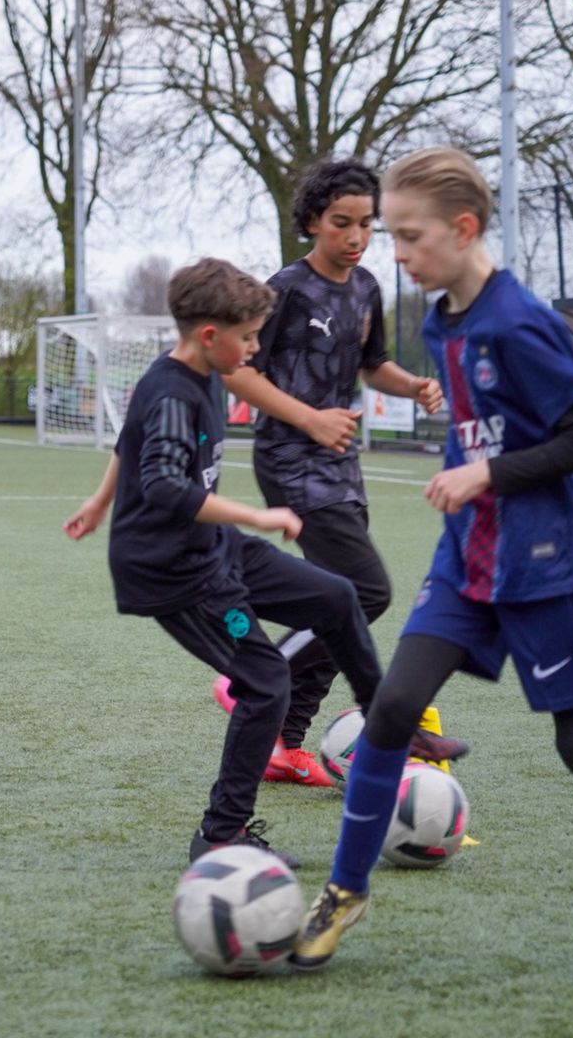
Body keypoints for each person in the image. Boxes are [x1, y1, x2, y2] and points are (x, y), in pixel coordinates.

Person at [291, 148, 573, 974]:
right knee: (393, 708)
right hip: (467, 561)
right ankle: (345, 890)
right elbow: (486, 423)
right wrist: (469, 469)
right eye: (387, 234)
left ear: (463, 229)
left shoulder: (520, 321)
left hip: (545, 566)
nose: (393, 252)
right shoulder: (442, 319)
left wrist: (485, 472)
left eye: (408, 235)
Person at [64, 258, 385, 867]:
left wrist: (100, 499)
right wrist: (260, 516)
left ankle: (390, 731)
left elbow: (126, 442)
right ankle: (222, 833)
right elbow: (161, 486)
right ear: (209, 335)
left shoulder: (204, 368)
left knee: (339, 597)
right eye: (249, 337)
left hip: (214, 548)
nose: (257, 347)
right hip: (174, 572)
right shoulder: (169, 392)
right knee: (266, 682)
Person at [221, 157, 462, 786]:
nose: (355, 237)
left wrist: (413, 386)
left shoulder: (366, 289)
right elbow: (239, 372)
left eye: (366, 224)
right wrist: (310, 420)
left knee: (335, 600)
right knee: (364, 594)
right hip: (288, 460)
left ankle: (285, 742)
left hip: (339, 463)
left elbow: (372, 362)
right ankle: (253, 672)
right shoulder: (285, 291)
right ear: (311, 222)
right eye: (340, 223)